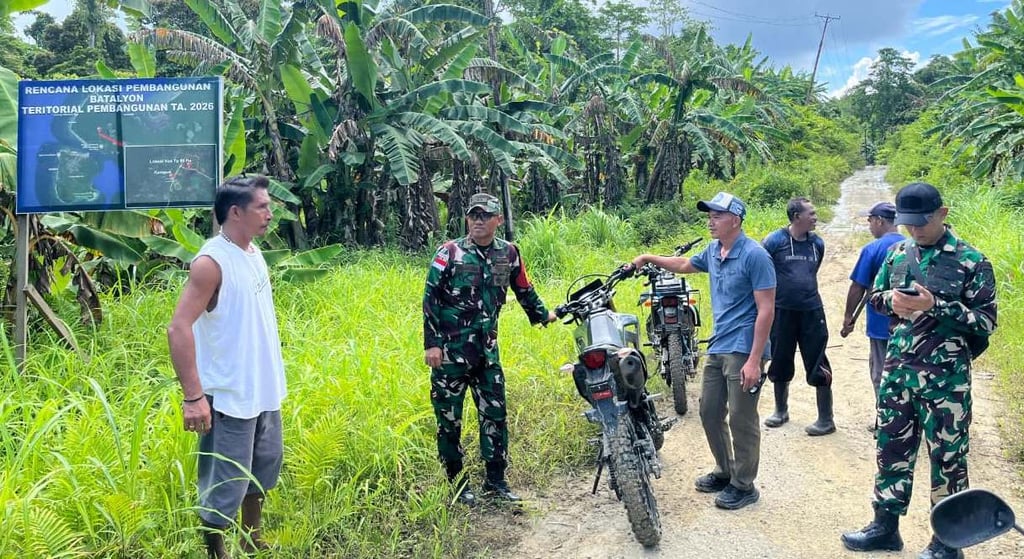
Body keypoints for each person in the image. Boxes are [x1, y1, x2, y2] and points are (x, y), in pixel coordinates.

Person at [841, 182, 997, 559]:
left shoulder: (972, 261)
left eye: (922, 223)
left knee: (948, 458)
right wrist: (890, 301)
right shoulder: (896, 254)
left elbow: (986, 322)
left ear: (942, 214)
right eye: (909, 223)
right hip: (898, 375)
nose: (915, 230)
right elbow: (876, 298)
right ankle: (885, 528)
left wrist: (936, 306)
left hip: (947, 381)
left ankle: (948, 542)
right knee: (891, 449)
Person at [628, 191, 775, 510]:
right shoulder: (714, 250)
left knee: (741, 418)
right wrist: (650, 258)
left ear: (735, 220)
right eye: (709, 215)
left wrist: (754, 360)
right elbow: (683, 263)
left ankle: (744, 484)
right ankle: (725, 470)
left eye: (717, 215)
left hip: (743, 348)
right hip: (719, 343)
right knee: (709, 411)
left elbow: (766, 309)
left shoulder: (755, 256)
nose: (711, 220)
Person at [167, 175, 287, 559]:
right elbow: (178, 327)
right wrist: (193, 397)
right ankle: (216, 551)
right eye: (262, 207)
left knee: (262, 469)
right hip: (230, 394)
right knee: (226, 481)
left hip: (263, 388)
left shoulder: (252, 252)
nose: (270, 213)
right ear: (235, 212)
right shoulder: (210, 262)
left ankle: (252, 538)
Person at [423, 192, 557, 506]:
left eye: (485, 216)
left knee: (495, 416)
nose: (478, 221)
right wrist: (432, 345)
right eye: (473, 215)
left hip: (487, 355)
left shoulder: (509, 254)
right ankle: (458, 485)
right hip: (450, 356)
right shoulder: (450, 252)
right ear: (467, 218)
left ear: (498, 219)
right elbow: (430, 300)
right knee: (449, 421)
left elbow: (524, 290)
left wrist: (543, 314)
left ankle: (496, 481)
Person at [761, 197, 835, 436]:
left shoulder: (817, 243)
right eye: (811, 214)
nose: (815, 217)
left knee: (817, 360)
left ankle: (826, 418)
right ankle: (780, 411)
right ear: (796, 217)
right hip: (781, 311)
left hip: (812, 311)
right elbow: (762, 271)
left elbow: (814, 270)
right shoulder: (774, 241)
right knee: (780, 357)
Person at [839, 202, 904, 420]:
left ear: (880, 221)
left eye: (870, 221)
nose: (869, 226)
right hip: (912, 325)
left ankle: (886, 419)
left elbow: (858, 286)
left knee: (881, 372)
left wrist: (848, 317)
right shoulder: (913, 245)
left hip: (881, 324)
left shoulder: (873, 249)